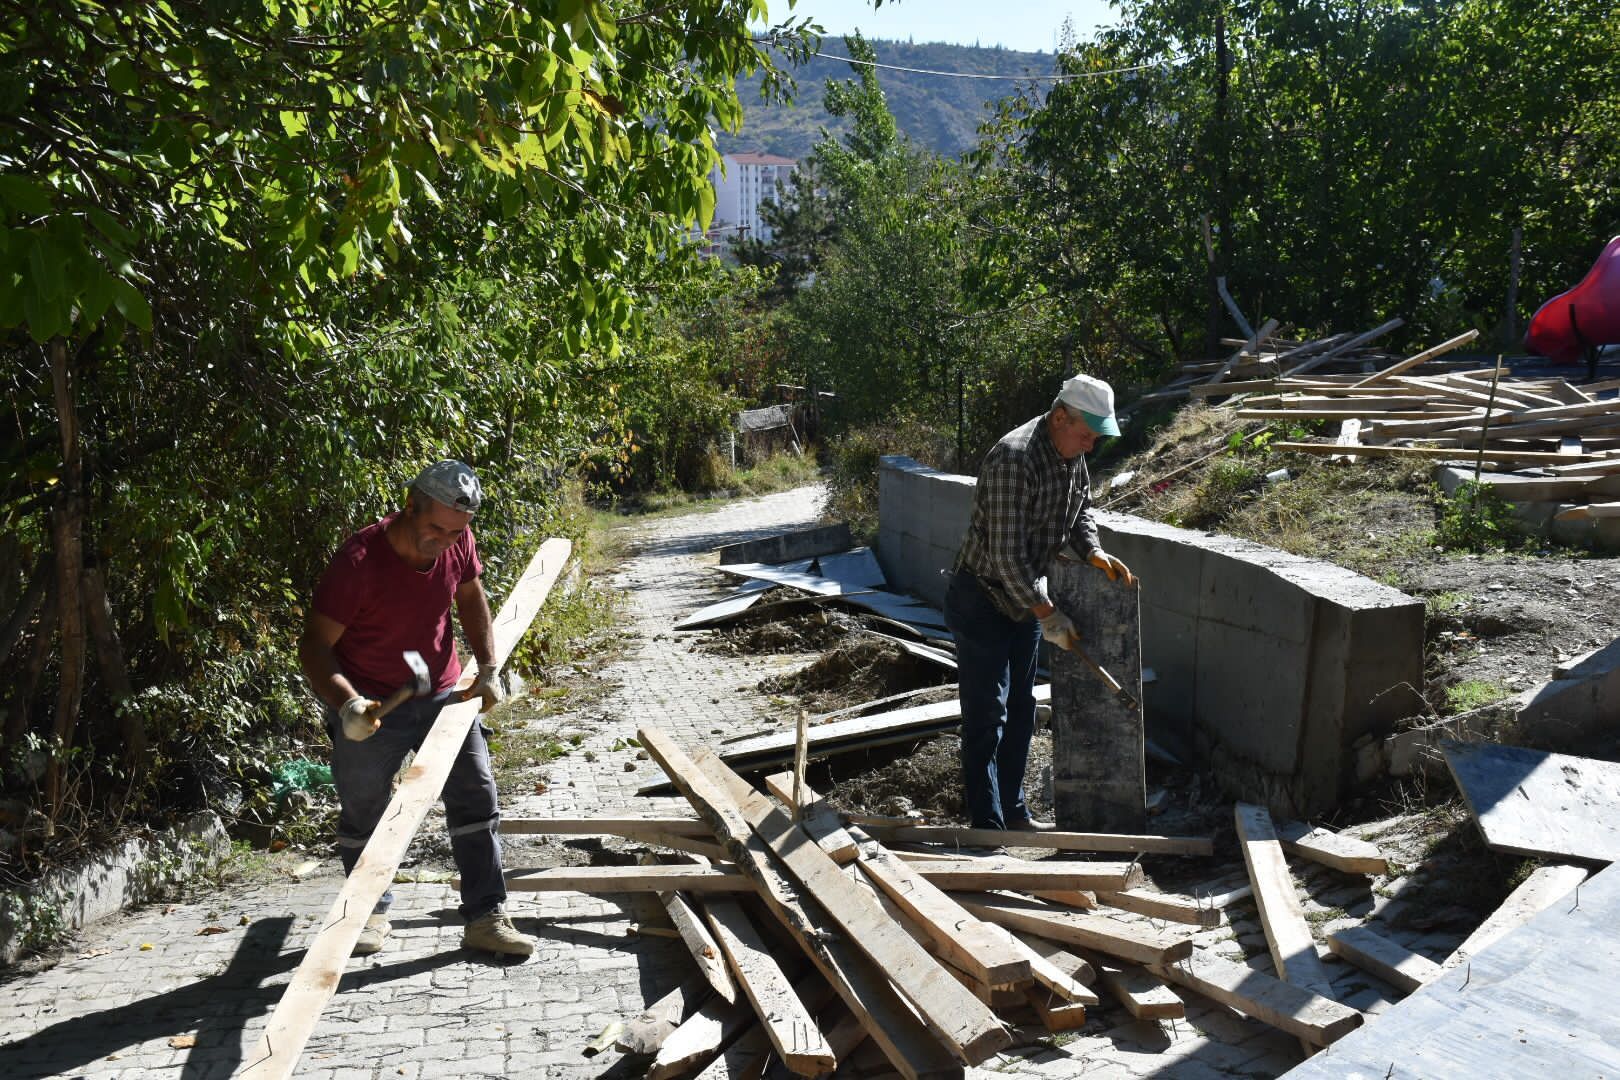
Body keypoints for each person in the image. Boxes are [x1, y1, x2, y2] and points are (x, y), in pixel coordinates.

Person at [299, 459, 534, 958]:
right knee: (364, 807)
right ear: (409, 505)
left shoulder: (457, 540)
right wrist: (347, 706)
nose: (444, 540)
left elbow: (471, 597)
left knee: (475, 795)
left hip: (444, 693)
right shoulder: (359, 562)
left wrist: (488, 665)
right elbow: (315, 646)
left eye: (456, 532)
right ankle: (365, 912)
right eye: (435, 528)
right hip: (370, 705)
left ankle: (486, 915)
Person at [945, 374, 1138, 832]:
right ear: (1059, 418)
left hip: (1025, 600)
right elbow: (1005, 557)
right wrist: (1048, 613)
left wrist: (1091, 549)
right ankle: (987, 827)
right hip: (983, 597)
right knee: (987, 715)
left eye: (1095, 438)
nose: (1090, 446)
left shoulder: (1070, 454)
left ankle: (1015, 814)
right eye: (1086, 435)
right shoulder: (1015, 459)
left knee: (1020, 710)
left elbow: (1082, 506)